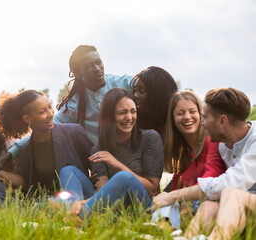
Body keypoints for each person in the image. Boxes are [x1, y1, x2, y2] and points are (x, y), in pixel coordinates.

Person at [0, 44, 133, 175]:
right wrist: (5, 157)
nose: (97, 69)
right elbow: (41, 129)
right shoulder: (75, 105)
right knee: (64, 131)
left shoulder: (122, 83)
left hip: (131, 153)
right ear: (78, 73)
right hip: (100, 162)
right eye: (89, 66)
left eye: (99, 62)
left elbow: (149, 80)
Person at [151, 88, 256, 238]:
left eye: (205, 118)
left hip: (243, 200)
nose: (203, 124)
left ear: (222, 121)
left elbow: (228, 183)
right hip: (242, 207)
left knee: (232, 193)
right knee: (209, 206)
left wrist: (172, 196)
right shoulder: (222, 145)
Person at [0, 90, 95, 203]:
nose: (51, 114)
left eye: (49, 107)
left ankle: (73, 214)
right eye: (43, 111)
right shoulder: (27, 150)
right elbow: (33, 187)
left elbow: (96, 157)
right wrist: (4, 177)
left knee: (67, 172)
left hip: (81, 196)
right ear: (27, 119)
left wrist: (101, 180)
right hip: (51, 200)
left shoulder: (73, 132)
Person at [69, 88, 164, 220]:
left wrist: (117, 164)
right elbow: (104, 194)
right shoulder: (99, 150)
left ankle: (77, 219)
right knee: (69, 171)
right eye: (122, 113)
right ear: (109, 116)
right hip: (113, 210)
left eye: (133, 112)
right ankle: (72, 210)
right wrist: (83, 202)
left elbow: (152, 189)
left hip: (143, 208)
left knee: (124, 177)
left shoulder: (149, 138)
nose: (129, 117)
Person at [151, 91, 226, 229]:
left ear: (201, 115)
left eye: (192, 111)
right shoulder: (183, 155)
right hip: (191, 207)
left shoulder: (212, 140)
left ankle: (164, 230)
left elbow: (210, 181)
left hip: (212, 202)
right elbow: (173, 191)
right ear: (173, 120)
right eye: (180, 113)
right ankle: (162, 229)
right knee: (166, 200)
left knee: (173, 199)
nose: (187, 117)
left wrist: (182, 197)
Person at [129, 66, 178, 138]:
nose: (135, 95)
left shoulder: (176, 122)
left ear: (157, 93)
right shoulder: (133, 122)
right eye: (135, 90)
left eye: (142, 91)